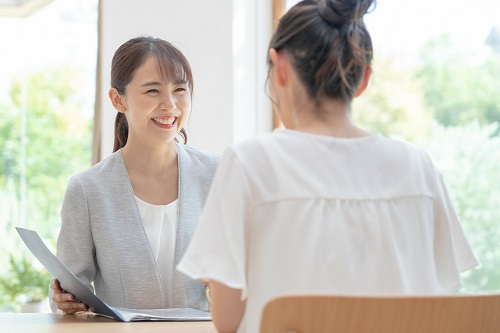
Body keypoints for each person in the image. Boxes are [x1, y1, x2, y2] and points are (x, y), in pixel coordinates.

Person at [176, 1, 479, 332]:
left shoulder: (250, 163)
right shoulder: (417, 167)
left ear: (279, 68)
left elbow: (228, 321)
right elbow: (439, 306)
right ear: (363, 79)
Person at [49, 36, 220, 314]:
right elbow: (66, 293)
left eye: (179, 89)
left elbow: (249, 277)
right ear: (118, 99)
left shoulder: (218, 174)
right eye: (153, 91)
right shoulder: (88, 189)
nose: (170, 104)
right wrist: (65, 302)